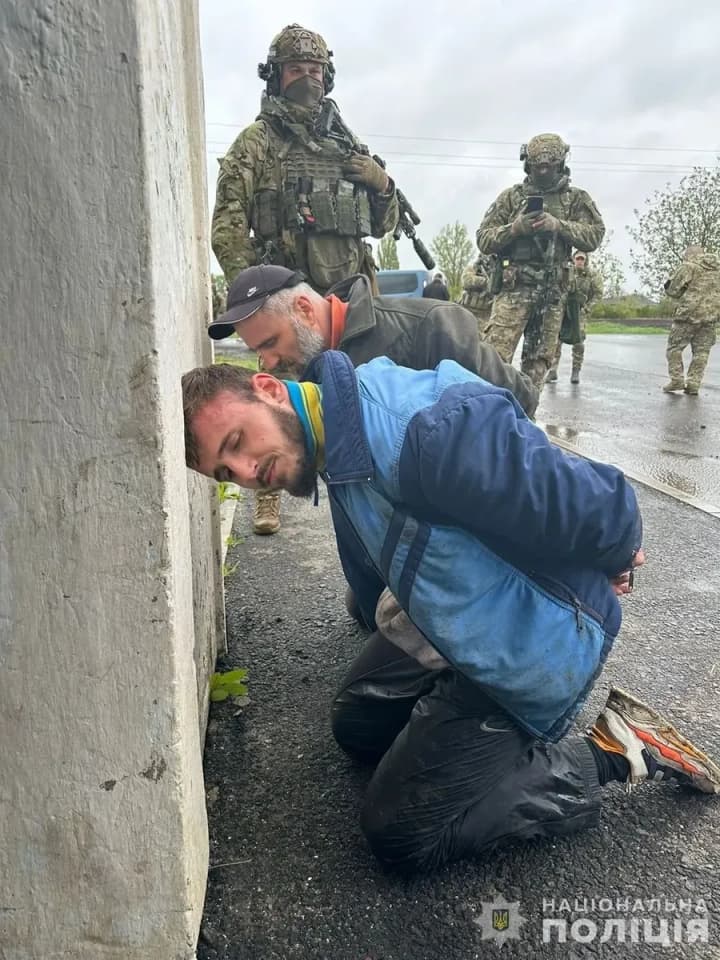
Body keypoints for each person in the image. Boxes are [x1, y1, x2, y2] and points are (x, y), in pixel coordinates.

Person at [182, 355, 720, 875]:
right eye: (227, 472)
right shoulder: (332, 435)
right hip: (465, 619)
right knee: (357, 725)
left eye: (238, 442)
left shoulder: (422, 435)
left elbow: (597, 501)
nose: (250, 472)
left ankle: (616, 750)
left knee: (399, 832)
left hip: (532, 641)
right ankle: (462, 731)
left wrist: (618, 554)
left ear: (270, 389)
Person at [211, 23, 399, 535]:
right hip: (289, 306)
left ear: (328, 75)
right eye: (296, 68)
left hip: (350, 302)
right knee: (274, 399)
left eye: (315, 69)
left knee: (372, 397)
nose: (307, 78)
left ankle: (385, 497)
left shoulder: (346, 143)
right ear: (275, 76)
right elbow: (227, 227)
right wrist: (260, 298)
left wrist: (383, 186)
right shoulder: (258, 142)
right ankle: (268, 496)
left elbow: (382, 225)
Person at [207, 264, 539, 421]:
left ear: (305, 310)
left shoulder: (426, 326)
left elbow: (519, 399)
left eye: (270, 342)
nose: (267, 361)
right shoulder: (310, 372)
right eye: (257, 351)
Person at [476, 133, 605, 390]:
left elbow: (594, 235)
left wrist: (559, 226)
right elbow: (484, 238)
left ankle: (524, 420)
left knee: (537, 365)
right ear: (528, 164)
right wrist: (514, 229)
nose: (542, 171)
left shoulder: (575, 199)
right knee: (492, 360)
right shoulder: (512, 197)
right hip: (514, 289)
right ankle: (487, 417)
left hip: (552, 292)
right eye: (537, 167)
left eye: (548, 166)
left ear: (560, 163)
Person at [662, 245, 720, 395]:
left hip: (688, 316)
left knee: (674, 348)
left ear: (689, 255)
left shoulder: (688, 266)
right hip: (711, 317)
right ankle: (694, 383)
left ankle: (677, 380)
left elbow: (672, 290)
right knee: (702, 352)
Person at [546, 251, 604, 384]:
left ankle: (575, 371)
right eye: (577, 259)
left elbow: (598, 294)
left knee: (578, 341)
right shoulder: (567, 272)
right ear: (573, 259)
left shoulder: (592, 275)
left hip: (580, 310)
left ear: (586, 260)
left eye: (582, 259)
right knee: (556, 340)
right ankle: (553, 370)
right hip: (563, 309)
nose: (580, 261)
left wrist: (587, 308)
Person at [459, 253, 494, 331]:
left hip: (486, 316)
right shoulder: (472, 268)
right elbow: (466, 281)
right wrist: (485, 282)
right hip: (468, 312)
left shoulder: (495, 272)